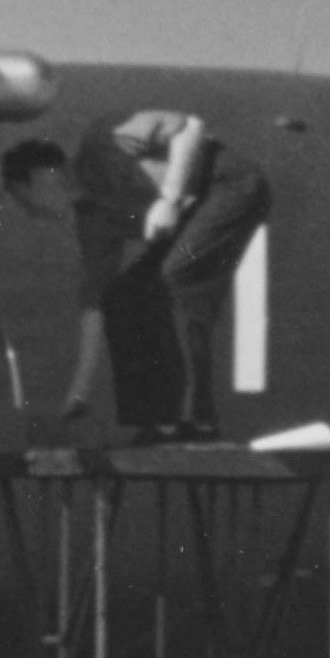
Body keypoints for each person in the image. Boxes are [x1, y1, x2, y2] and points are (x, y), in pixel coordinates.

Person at [74, 103, 266, 438]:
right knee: (123, 295)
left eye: (27, 199)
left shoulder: (104, 144)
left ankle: (198, 421)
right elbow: (96, 292)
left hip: (226, 188)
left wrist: (170, 198)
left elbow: (189, 126)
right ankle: (154, 421)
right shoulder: (92, 218)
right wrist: (80, 387)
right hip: (191, 216)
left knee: (175, 277)